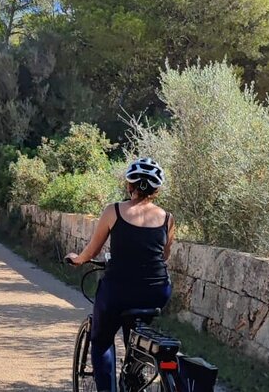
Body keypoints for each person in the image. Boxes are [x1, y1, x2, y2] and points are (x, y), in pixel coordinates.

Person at [65, 157, 176, 392]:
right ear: (156, 189)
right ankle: (134, 377)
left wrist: (78, 259)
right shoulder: (168, 219)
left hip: (118, 292)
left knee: (102, 341)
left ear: (129, 186)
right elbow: (164, 256)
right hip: (156, 291)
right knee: (136, 336)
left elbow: (92, 250)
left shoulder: (113, 211)